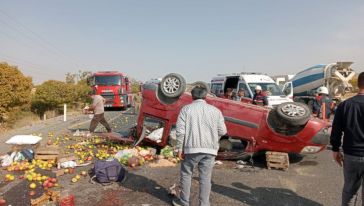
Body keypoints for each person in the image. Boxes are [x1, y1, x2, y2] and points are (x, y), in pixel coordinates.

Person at [173, 86, 227, 206]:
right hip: (210, 150)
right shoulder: (215, 111)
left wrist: (179, 148)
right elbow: (223, 131)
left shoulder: (186, 109)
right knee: (205, 178)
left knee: (186, 174)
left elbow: (180, 131)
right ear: (205, 96)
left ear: (192, 96)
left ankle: (184, 203)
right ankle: (204, 204)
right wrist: (213, 138)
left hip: (191, 148)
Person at [330, 72, 364, 206]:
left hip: (351, 155)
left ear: (358, 84)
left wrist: (335, 149)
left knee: (350, 191)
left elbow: (336, 130)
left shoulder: (345, 105)